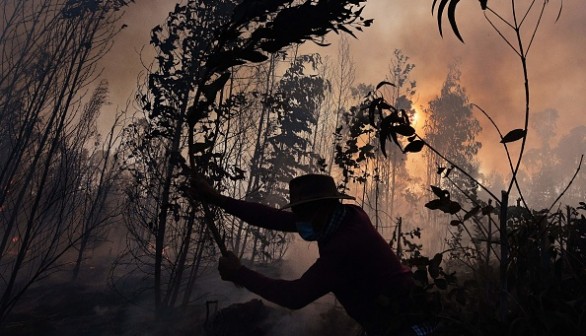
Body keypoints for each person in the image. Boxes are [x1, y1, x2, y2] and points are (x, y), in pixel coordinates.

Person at [191, 174, 434, 336]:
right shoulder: (346, 216)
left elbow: (295, 296)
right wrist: (217, 199)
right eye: (297, 213)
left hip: (407, 327)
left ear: (324, 207)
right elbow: (273, 217)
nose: (299, 221)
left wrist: (240, 273)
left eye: (303, 213)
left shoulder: (344, 247)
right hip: (396, 320)